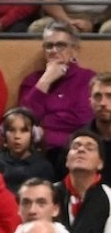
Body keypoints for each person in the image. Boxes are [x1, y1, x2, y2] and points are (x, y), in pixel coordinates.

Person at [18, 22, 96, 155]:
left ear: (74, 50)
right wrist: (45, 81)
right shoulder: (32, 81)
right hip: (39, 150)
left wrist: (45, 126)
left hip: (78, 148)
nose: (54, 50)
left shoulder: (89, 79)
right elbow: (24, 121)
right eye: (49, 46)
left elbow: (84, 120)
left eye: (61, 45)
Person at [58, 132, 111, 233]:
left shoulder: (109, 197)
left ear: (100, 163)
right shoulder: (49, 193)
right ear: (67, 160)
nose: (81, 150)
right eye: (75, 147)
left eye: (90, 148)